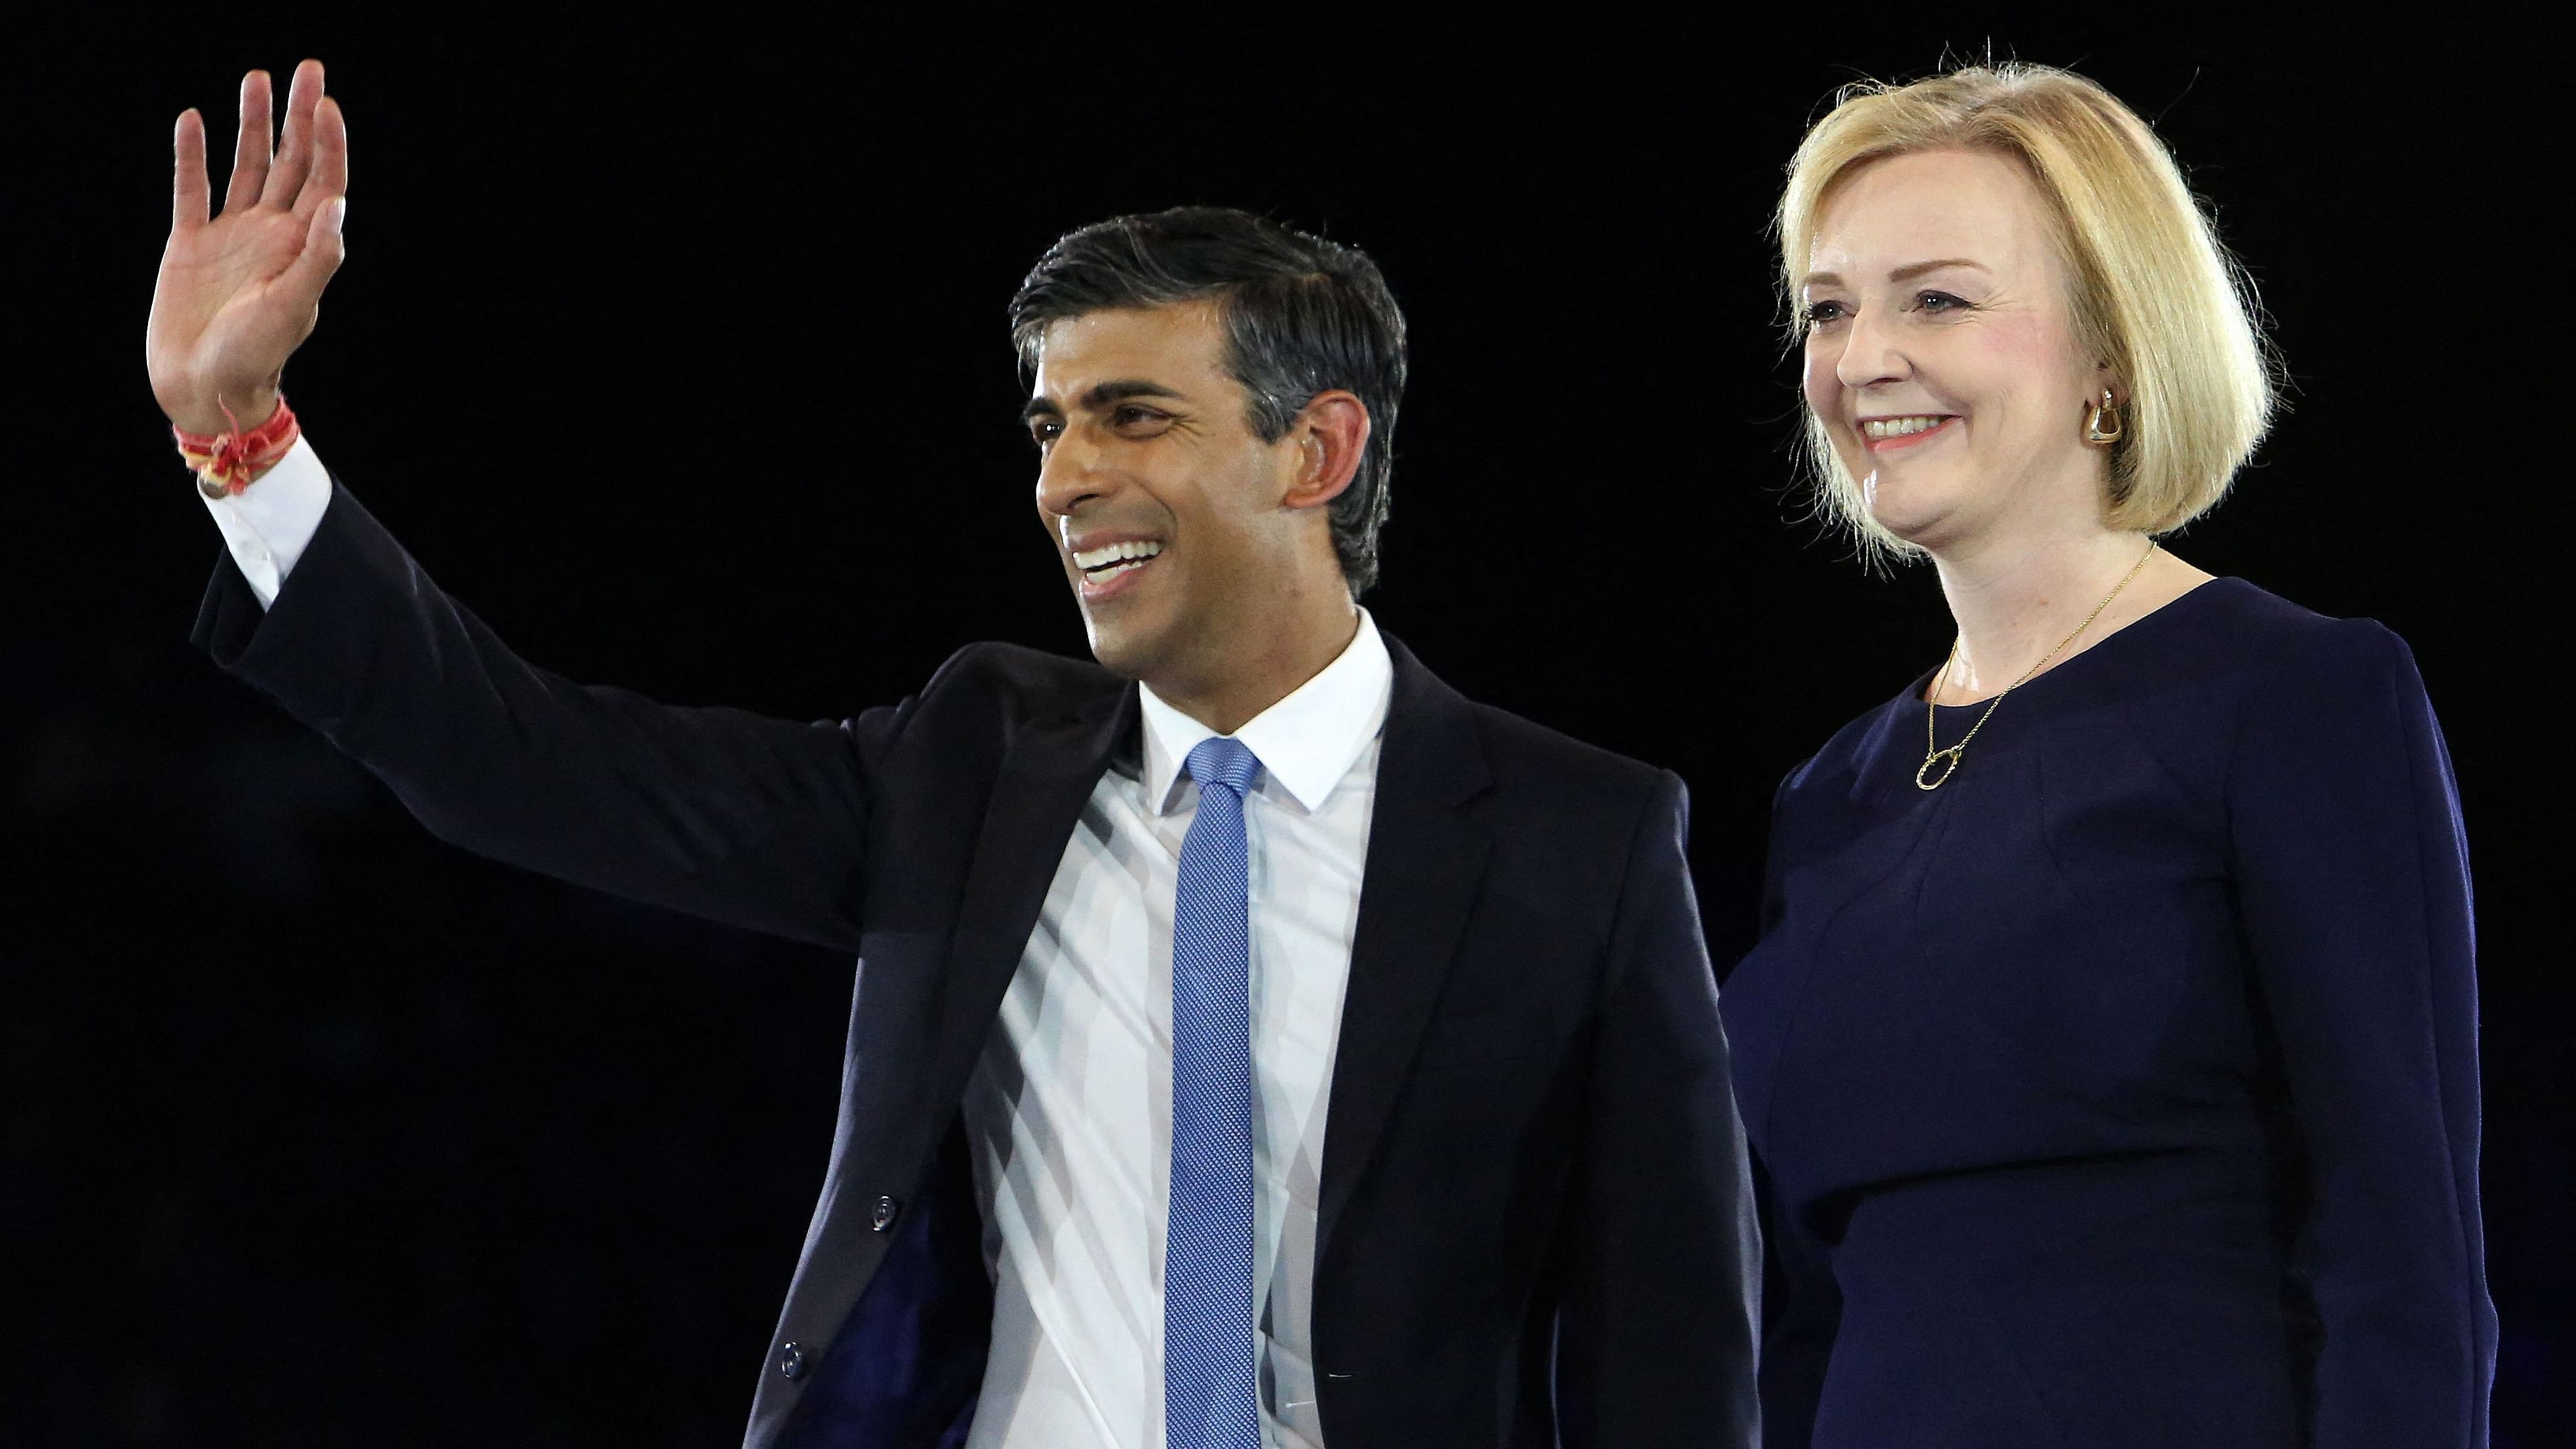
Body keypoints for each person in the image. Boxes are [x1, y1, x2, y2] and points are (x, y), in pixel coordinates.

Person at [145, 60, 1759, 1449]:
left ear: (1317, 449)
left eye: (1134, 415)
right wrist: (246, 440)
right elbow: (536, 762)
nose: (1066, 481)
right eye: (1051, 427)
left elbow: (1672, 1360)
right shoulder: (971, 765)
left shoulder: (1578, 838)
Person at [1720, 62, 2495, 1448]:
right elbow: (1806, 1305)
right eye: (1829, 308)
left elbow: (2403, 1249)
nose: (1862, 357)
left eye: (1938, 298)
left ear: (2111, 352)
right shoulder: (1828, 792)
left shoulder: (2296, 695)